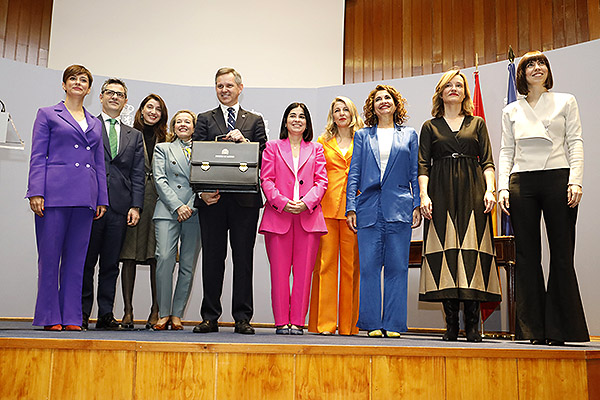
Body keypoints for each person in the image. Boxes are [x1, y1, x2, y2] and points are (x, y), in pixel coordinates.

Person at [498, 51, 589, 345]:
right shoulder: (511, 110)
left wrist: (575, 181)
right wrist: (502, 187)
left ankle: (562, 330)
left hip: (558, 179)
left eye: (542, 64)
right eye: (530, 65)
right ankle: (532, 330)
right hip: (521, 182)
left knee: (562, 254)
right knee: (527, 256)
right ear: (521, 74)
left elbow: (575, 141)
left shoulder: (566, 101)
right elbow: (506, 151)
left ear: (548, 72)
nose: (537, 69)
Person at [418, 70, 501, 342]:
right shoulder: (430, 126)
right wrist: (424, 196)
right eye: (448, 85)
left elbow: (487, 161)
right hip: (439, 194)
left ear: (465, 92)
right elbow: (422, 165)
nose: (453, 89)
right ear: (440, 92)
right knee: (445, 255)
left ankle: (473, 325)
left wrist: (490, 190)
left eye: (458, 85)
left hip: (473, 192)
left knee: (471, 254)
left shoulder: (476, 123)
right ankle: (451, 324)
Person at [26, 65, 108, 331]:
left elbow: (98, 163)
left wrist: (102, 199)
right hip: (54, 195)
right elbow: (38, 155)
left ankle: (72, 316)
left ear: (89, 88)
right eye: (72, 78)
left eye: (83, 80)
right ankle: (50, 316)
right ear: (64, 84)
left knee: (77, 260)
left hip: (85, 197)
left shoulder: (95, 122)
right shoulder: (48, 114)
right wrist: (36, 191)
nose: (78, 82)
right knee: (50, 258)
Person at [192, 67, 267, 335]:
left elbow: (264, 155)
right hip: (211, 200)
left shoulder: (255, 120)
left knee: (243, 260)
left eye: (229, 86)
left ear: (240, 87)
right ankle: (210, 317)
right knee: (212, 259)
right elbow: (197, 156)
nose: (224, 90)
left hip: (245, 201)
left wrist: (245, 141)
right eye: (219, 86)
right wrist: (201, 192)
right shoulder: (203, 119)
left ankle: (242, 318)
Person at [346, 84, 421, 338]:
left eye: (387, 97)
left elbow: (414, 172)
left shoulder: (409, 134)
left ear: (395, 103)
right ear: (372, 107)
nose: (383, 102)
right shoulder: (363, 136)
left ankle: (393, 324)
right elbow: (354, 173)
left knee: (397, 268)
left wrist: (416, 204)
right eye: (378, 99)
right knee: (368, 268)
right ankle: (371, 323)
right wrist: (351, 207)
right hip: (368, 209)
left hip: (399, 208)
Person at [81, 78, 145, 330]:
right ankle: (82, 313)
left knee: (110, 265)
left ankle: (106, 314)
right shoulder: (87, 125)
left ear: (126, 101)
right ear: (101, 96)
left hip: (120, 208)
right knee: (86, 263)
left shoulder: (135, 135)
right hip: (90, 206)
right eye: (109, 93)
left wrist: (136, 206)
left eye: (120, 94)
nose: (114, 97)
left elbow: (138, 173)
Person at [259, 103, 328, 335]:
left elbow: (322, 182)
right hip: (279, 216)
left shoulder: (316, 149)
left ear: (307, 123)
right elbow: (266, 180)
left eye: (301, 116)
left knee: (303, 274)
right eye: (292, 116)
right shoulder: (272, 147)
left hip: (308, 217)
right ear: (285, 121)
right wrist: (282, 202)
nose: (297, 120)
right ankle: (281, 322)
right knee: (278, 274)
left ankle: (298, 321)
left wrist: (306, 202)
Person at [308, 96, 364, 336]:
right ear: (332, 115)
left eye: (346, 109)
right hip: (327, 209)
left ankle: (349, 325)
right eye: (337, 110)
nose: (342, 113)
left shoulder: (364, 140)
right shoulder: (322, 143)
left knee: (351, 267)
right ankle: (324, 323)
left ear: (353, 114)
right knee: (325, 265)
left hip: (355, 210)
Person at [119, 94, 169, 329]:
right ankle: (127, 311)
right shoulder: (128, 135)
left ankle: (156, 311)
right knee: (128, 256)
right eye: (149, 107)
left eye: (158, 109)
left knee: (156, 258)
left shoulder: (168, 139)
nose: (153, 112)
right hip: (133, 201)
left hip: (161, 203)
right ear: (140, 109)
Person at [152, 110, 202, 330]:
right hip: (167, 210)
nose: (183, 124)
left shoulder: (203, 149)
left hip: (194, 212)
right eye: (178, 121)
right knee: (164, 259)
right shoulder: (162, 148)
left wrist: (190, 206)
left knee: (188, 265)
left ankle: (177, 314)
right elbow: (160, 180)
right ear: (173, 126)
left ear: (194, 126)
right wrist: (178, 206)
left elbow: (204, 180)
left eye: (187, 121)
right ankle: (163, 313)